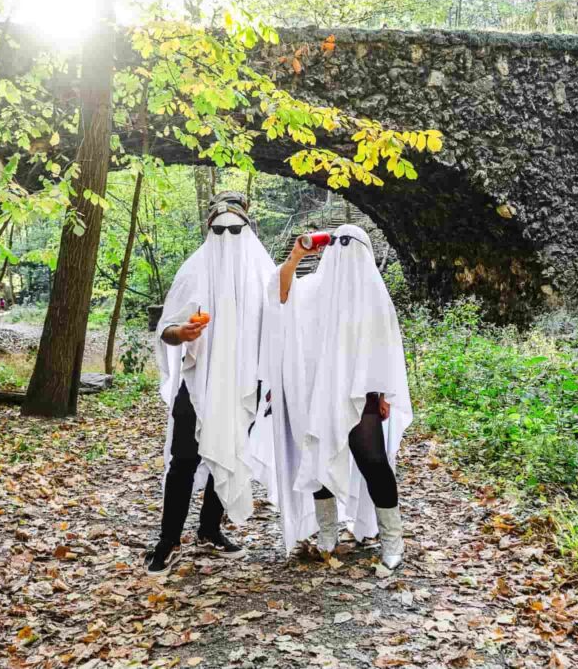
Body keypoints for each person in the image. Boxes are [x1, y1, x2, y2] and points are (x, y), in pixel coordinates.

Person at [255, 224, 412, 569]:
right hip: (318, 392)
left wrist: (384, 392)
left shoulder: (374, 297)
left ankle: (392, 538)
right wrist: (296, 256)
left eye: (351, 245)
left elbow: (384, 347)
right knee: (319, 456)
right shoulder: (313, 290)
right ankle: (328, 533)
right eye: (338, 245)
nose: (345, 253)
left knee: (373, 461)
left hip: (361, 392)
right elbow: (281, 295)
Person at [145, 191, 276, 576]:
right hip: (199, 381)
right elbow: (166, 328)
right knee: (184, 459)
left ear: (248, 229)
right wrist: (180, 333)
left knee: (232, 448)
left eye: (236, 230)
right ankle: (168, 540)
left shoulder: (262, 272)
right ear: (208, 230)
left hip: (244, 384)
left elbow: (282, 324)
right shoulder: (194, 270)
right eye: (219, 231)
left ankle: (209, 528)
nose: (227, 237)